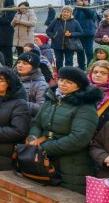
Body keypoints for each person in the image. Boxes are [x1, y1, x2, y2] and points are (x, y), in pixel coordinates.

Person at [26, 66, 102, 195]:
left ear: (78, 86)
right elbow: (37, 123)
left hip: (71, 164)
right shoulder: (52, 99)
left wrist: (45, 148)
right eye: (61, 80)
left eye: (69, 82)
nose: (62, 84)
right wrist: (33, 138)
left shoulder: (85, 106)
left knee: (65, 198)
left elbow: (79, 137)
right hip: (44, 157)